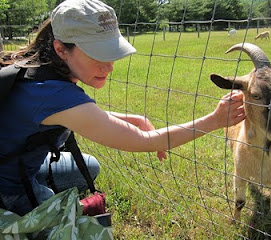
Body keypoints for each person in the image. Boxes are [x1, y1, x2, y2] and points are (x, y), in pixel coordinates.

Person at [0, 0, 245, 216]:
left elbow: (69, 115)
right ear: (61, 49)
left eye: (111, 53)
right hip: (9, 188)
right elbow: (145, 141)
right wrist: (215, 120)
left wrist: (131, 117)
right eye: (97, 55)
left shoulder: (38, 70)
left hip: (22, 163)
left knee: (90, 166)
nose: (109, 67)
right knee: (69, 223)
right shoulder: (54, 94)